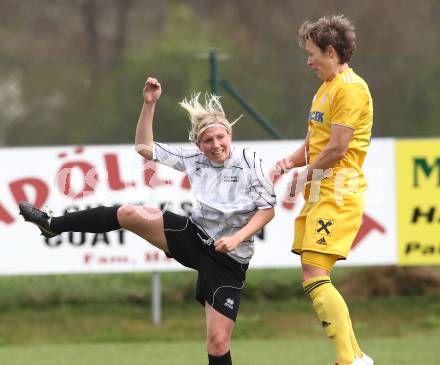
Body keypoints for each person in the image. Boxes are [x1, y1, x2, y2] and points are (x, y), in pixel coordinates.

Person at [19, 77, 276, 365]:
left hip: (228, 260)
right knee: (128, 213)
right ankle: (52, 224)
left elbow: (267, 210)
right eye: (207, 140)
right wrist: (149, 103)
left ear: (230, 134)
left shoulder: (249, 160)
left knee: (217, 343)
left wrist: (237, 238)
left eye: (220, 137)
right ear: (198, 143)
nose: (216, 145)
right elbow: (143, 147)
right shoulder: (194, 157)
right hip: (193, 236)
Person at [276, 15, 374, 365]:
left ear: (330, 51)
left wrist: (305, 175)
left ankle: (350, 360)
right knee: (311, 272)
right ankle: (356, 357)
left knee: (315, 271)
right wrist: (289, 162)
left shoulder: (350, 88)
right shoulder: (326, 88)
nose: (308, 60)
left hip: (339, 190)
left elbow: (337, 148)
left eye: (312, 52)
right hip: (321, 189)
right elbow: (315, 141)